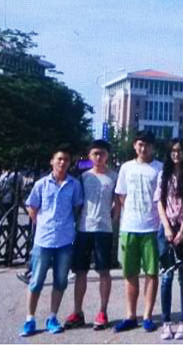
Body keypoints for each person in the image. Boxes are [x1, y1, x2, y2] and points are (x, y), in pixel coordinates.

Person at [19, 146, 84, 337]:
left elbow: (77, 207)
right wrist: (41, 223)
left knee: (60, 281)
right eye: (59, 159)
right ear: (52, 161)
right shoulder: (41, 184)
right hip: (44, 239)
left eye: (66, 159)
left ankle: (52, 317)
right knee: (36, 281)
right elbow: (32, 206)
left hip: (64, 239)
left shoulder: (74, 185)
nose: (62, 162)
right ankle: (30, 319)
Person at [64, 140, 118, 330]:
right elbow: (78, 205)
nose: (98, 157)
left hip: (104, 229)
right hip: (84, 228)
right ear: (89, 156)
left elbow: (117, 203)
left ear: (107, 155)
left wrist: (113, 221)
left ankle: (102, 311)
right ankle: (77, 311)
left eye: (102, 153)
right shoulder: (83, 177)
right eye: (95, 153)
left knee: (104, 271)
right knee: (80, 271)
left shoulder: (114, 177)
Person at [114, 131, 163, 333]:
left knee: (151, 272)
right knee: (130, 273)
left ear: (153, 147)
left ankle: (148, 315)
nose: (143, 148)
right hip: (129, 227)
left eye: (147, 145)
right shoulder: (126, 167)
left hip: (151, 228)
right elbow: (121, 196)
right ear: (135, 145)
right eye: (140, 144)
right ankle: (130, 315)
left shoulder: (160, 168)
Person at [155, 138, 183, 340]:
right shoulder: (163, 174)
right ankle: (166, 322)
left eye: (179, 150)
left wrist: (182, 232)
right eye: (173, 150)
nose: (176, 154)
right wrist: (167, 228)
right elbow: (159, 202)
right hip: (166, 229)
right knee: (166, 276)